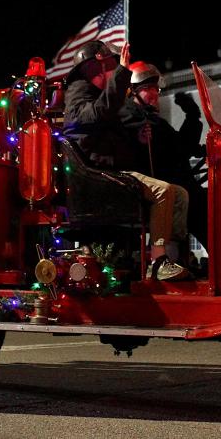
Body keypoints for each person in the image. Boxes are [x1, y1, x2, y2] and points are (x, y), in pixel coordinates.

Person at [62, 41, 190, 281]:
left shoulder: (97, 98)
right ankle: (158, 261)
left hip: (111, 173)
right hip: (99, 177)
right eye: (104, 68)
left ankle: (171, 256)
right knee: (162, 191)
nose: (107, 73)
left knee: (180, 194)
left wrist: (138, 138)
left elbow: (106, 127)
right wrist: (121, 73)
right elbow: (99, 113)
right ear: (91, 70)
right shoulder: (79, 98)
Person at [119, 61, 208, 261]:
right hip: (150, 182)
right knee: (198, 204)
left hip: (172, 178)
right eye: (147, 89)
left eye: (156, 89)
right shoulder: (129, 115)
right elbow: (177, 149)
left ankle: (210, 262)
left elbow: (179, 146)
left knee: (204, 199)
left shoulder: (152, 117)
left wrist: (193, 118)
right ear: (133, 91)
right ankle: (175, 259)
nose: (154, 94)